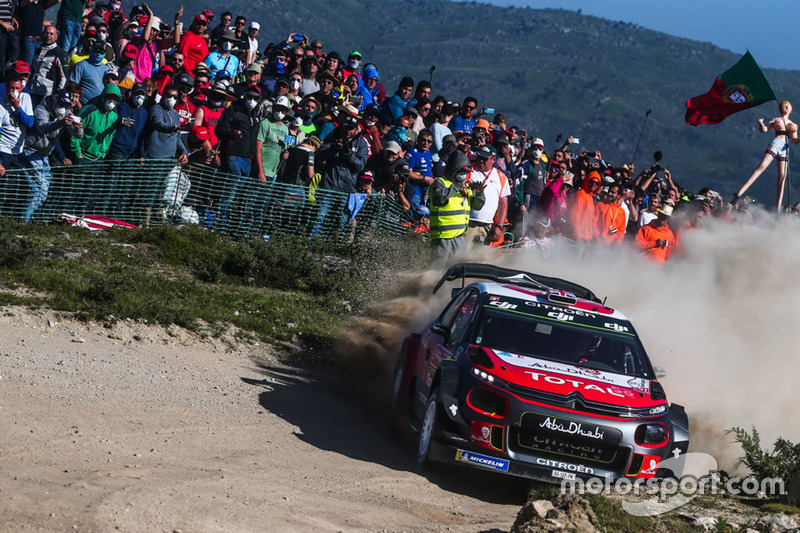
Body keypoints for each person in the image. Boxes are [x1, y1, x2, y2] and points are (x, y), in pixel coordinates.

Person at [23, 88, 82, 222]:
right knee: (38, 189)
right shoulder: (41, 109)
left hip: (45, 154)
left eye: (66, 105)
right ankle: (24, 221)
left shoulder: (66, 112)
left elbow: (76, 133)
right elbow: (43, 127)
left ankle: (34, 220)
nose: (64, 108)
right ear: (54, 100)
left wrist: (78, 129)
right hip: (32, 150)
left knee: (44, 190)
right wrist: (60, 122)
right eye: (61, 104)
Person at [732, 100, 800, 212]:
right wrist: (761, 124)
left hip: (785, 148)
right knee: (762, 166)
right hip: (776, 143)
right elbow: (765, 130)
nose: (785, 108)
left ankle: (777, 208)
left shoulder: (792, 124)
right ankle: (739, 193)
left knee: (782, 176)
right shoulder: (776, 119)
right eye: (783, 106)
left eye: (787, 106)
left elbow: (794, 140)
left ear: (790, 109)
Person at [428, 150, 485, 265]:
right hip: (443, 238)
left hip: (459, 238)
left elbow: (477, 206)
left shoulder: (465, 187)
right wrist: (457, 186)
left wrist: (479, 194)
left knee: (458, 270)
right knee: (438, 270)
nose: (464, 175)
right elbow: (439, 198)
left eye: (466, 172)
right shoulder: (440, 183)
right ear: (454, 170)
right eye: (462, 171)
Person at [466, 144, 510, 246]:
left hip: (488, 225)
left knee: (483, 258)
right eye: (479, 157)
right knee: (462, 256)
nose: (480, 160)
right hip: (469, 222)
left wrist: (499, 227)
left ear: (493, 159)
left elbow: (503, 205)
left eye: (484, 158)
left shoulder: (501, 177)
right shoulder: (469, 170)